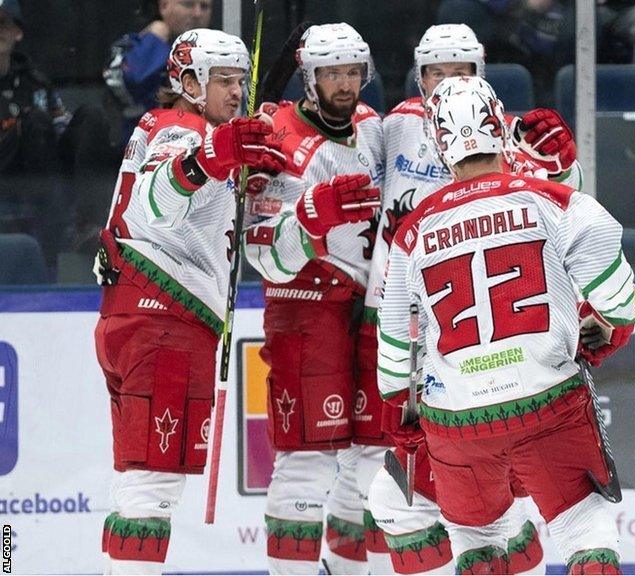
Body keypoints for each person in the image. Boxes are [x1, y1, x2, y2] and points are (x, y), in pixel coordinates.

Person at [377, 75, 635, 574]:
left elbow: (393, 348)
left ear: (438, 143)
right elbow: (616, 298)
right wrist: (605, 331)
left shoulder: (412, 232)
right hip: (549, 401)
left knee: (474, 536)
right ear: (500, 125)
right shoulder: (556, 201)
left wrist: (403, 416)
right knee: (584, 525)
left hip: (457, 420)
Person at [364, 23, 583, 575]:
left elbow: (567, 208)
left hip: (467, 362)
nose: (446, 85)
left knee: (403, 501)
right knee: (471, 511)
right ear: (419, 76)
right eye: (436, 72)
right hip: (452, 353)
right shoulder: (396, 128)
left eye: (459, 72)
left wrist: (563, 165)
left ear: (480, 76)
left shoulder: (513, 142)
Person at [94, 28, 285, 574]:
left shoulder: (174, 128)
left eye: (239, 80)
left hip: (134, 316)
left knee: (134, 483)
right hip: (164, 322)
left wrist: (231, 175)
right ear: (187, 81)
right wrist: (213, 159)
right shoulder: (186, 131)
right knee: (152, 491)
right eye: (222, 80)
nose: (235, 91)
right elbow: (155, 203)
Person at [241, 23, 389, 575]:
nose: (345, 84)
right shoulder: (276, 138)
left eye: (353, 72)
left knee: (368, 457)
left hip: (370, 307)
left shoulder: (374, 128)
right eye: (331, 73)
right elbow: (262, 255)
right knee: (307, 459)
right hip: (306, 308)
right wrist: (310, 220)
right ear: (310, 76)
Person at [0, 0, 71, 264]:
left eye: (3, 23)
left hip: (38, 188)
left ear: (17, 32)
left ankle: (83, 226)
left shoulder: (35, 83)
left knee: (88, 118)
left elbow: (63, 131)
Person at [105, 0, 213, 144]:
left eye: (204, 7)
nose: (197, 13)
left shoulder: (217, 53)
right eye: (188, 5)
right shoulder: (133, 45)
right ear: (163, 6)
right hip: (140, 148)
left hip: (200, 146)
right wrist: (154, 40)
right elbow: (131, 81)